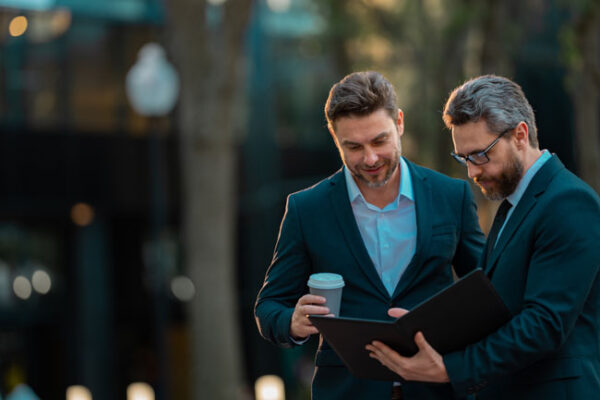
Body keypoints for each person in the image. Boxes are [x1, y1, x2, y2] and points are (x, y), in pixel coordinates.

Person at [254, 71, 485, 399]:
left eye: (379, 140)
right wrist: (291, 321)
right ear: (335, 139)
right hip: (347, 391)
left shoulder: (452, 196)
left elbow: (487, 289)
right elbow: (268, 307)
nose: (371, 158)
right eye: (354, 147)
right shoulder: (307, 209)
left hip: (438, 390)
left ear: (399, 123)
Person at [367, 75, 600, 399]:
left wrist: (452, 368)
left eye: (480, 155)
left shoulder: (569, 203)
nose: (472, 172)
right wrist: (428, 330)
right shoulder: (513, 205)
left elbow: (544, 324)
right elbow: (493, 307)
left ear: (520, 135)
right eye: (463, 158)